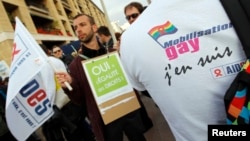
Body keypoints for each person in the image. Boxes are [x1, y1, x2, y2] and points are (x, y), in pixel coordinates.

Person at [119, 0, 247, 141]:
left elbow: (144, 89)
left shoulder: (129, 41)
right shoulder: (129, 41)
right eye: (128, 17)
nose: (131, 19)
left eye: (134, 15)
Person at [55, 14, 146, 141]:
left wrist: (123, 56)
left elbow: (131, 76)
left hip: (128, 110)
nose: (78, 30)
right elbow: (79, 100)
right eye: (75, 27)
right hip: (105, 119)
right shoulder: (76, 65)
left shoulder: (112, 52)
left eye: (82, 25)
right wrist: (70, 84)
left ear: (94, 27)